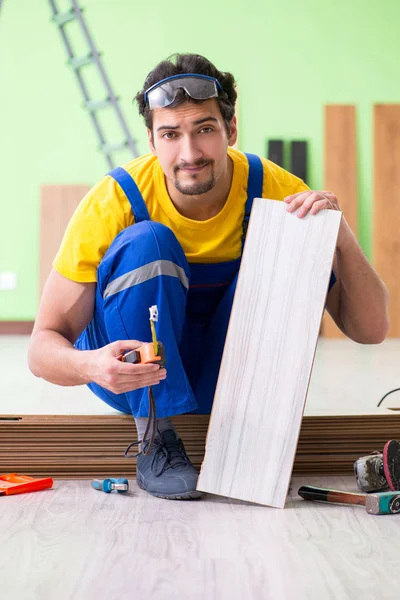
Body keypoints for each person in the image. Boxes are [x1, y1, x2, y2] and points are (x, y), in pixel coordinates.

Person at [28, 53, 389, 501]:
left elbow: (372, 331)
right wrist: (92, 366)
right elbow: (42, 347)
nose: (190, 153)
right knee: (148, 243)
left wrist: (341, 234)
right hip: (137, 383)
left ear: (230, 130)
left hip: (223, 377)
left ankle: (249, 436)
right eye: (171, 135)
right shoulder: (114, 200)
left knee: (290, 235)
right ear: (152, 140)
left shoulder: (277, 190)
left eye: (204, 129)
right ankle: (155, 440)